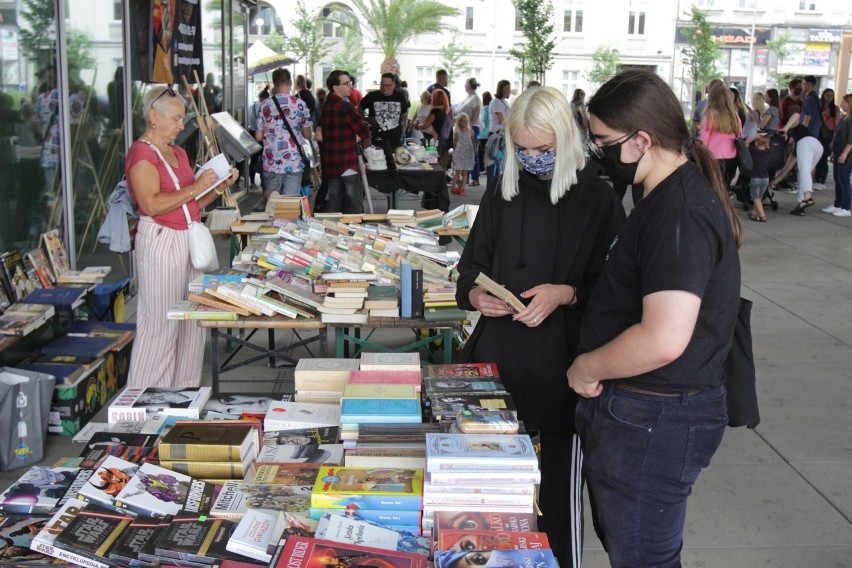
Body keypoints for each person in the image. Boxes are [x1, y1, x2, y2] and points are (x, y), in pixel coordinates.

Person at [569, 68, 742, 568]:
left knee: (644, 556)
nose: (596, 151)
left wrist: (588, 368)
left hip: (655, 418)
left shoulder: (679, 212)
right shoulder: (661, 194)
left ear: (642, 140)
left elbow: (664, 337)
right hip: (645, 415)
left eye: (602, 141)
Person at [455, 86, 625, 568]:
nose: (532, 159)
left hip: (563, 370)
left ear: (567, 141)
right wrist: (475, 294)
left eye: (543, 150)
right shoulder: (503, 190)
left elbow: (615, 291)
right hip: (499, 362)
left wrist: (564, 293)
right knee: (490, 501)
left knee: (556, 497)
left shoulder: (597, 198)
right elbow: (471, 265)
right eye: (523, 150)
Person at [125, 85, 238, 388]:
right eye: (175, 119)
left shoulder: (177, 152)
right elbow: (151, 204)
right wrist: (195, 186)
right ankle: (146, 396)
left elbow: (190, 204)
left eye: (182, 119)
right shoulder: (141, 153)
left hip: (186, 235)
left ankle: (184, 393)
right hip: (162, 238)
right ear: (153, 116)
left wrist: (218, 186)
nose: (180, 126)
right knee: (162, 322)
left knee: (190, 323)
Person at [254, 68, 313, 208]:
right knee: (290, 205)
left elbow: (258, 136)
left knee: (273, 204)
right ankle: (288, 227)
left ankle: (272, 226)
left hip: (271, 161)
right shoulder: (300, 104)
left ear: (274, 83)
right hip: (293, 161)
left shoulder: (264, 105)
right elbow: (308, 135)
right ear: (290, 83)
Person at [319, 70, 372, 214]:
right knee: (353, 206)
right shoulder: (346, 107)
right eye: (346, 83)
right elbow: (364, 132)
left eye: (350, 83)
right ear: (335, 87)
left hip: (331, 163)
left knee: (334, 205)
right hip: (347, 163)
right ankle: (353, 234)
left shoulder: (325, 106)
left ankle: (332, 234)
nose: (350, 86)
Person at [770, 112, 822, 216]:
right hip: (817, 146)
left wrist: (785, 128)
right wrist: (775, 181)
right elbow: (787, 168)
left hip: (808, 142)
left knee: (804, 171)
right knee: (802, 174)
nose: (784, 139)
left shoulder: (794, 129)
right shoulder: (796, 148)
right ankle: (801, 204)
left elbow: (796, 115)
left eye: (784, 137)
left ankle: (807, 196)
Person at [359, 72, 409, 166]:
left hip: (394, 139)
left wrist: (403, 128)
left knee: (393, 164)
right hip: (375, 139)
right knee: (376, 164)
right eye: (382, 85)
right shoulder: (372, 96)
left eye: (388, 85)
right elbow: (359, 109)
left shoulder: (400, 97)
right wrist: (366, 121)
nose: (384, 88)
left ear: (394, 85)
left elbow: (404, 114)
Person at [700, 83, 741, 187]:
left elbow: (704, 141)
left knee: (713, 188)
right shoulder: (734, 115)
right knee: (725, 189)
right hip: (732, 158)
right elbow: (740, 135)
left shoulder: (710, 115)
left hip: (713, 158)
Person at [823, 94, 852, 217]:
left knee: (844, 180)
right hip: (838, 150)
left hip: (847, 154)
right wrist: (835, 151)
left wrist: (845, 153)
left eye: (844, 102)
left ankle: (846, 207)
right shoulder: (845, 117)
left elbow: (851, 139)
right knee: (838, 179)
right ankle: (838, 204)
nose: (841, 104)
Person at [415, 89, 452, 171]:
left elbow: (425, 125)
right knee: (433, 163)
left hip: (431, 141)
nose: (431, 98)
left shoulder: (435, 111)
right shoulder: (442, 110)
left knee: (431, 165)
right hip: (438, 140)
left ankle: (433, 182)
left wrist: (417, 125)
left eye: (433, 96)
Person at [458, 78, 483, 186]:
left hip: (472, 128)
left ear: (470, 85)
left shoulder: (475, 98)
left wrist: (470, 128)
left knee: (473, 153)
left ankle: (475, 178)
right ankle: (465, 177)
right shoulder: (468, 98)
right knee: (465, 153)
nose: (464, 85)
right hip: (464, 129)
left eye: (466, 83)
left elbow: (476, 114)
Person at [815, 87, 837, 190]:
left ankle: (822, 180)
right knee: (817, 158)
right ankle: (817, 179)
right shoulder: (819, 106)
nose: (829, 98)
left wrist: (834, 139)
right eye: (827, 95)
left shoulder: (835, 109)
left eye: (831, 96)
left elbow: (837, 124)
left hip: (829, 134)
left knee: (824, 158)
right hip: (818, 133)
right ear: (823, 95)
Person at [246, 86, 268, 188]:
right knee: (264, 159)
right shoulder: (265, 108)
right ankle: (264, 182)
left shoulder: (251, 107)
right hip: (262, 135)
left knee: (254, 160)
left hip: (251, 134)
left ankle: (252, 182)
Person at [747, 133, 772, 222]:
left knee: (755, 198)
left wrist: (754, 137)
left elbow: (746, 144)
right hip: (765, 178)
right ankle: (754, 214)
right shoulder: (768, 152)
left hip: (755, 178)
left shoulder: (753, 151)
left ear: (757, 143)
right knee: (760, 197)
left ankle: (762, 215)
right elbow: (767, 145)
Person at [451, 112, 476, 196]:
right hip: (459, 154)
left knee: (465, 173)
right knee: (457, 172)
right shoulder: (457, 132)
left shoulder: (471, 131)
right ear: (458, 122)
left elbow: (473, 142)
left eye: (465, 121)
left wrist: (474, 152)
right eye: (462, 121)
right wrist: (454, 155)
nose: (464, 123)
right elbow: (455, 144)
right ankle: (453, 187)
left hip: (467, 153)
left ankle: (462, 188)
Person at [478, 91, 492, 174]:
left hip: (482, 134)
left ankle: (483, 169)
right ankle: (487, 168)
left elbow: (482, 121)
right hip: (490, 133)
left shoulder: (484, 109)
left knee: (481, 153)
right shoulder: (491, 108)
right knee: (488, 152)